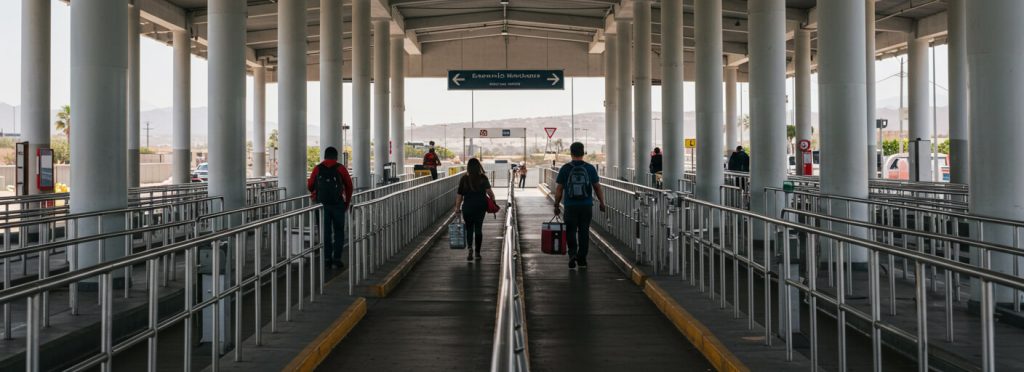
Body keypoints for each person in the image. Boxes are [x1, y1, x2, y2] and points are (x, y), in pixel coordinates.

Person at [554, 142, 606, 269]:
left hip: (570, 206)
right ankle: (582, 259)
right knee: (584, 232)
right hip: (586, 206)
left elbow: (559, 189)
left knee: (571, 231)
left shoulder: (565, 168)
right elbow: (597, 187)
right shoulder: (590, 168)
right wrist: (602, 202)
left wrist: (556, 205)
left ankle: (572, 254)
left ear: (571, 153)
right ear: (583, 153)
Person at [307, 147, 354, 269]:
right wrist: (346, 203)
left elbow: (310, 186)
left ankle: (327, 258)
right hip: (338, 205)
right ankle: (337, 259)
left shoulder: (317, 168)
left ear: (324, 156)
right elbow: (349, 186)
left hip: (322, 206)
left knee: (325, 232)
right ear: (336, 157)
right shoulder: (341, 168)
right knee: (339, 231)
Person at [454, 158, 495, 261]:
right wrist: (493, 201)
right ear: (478, 166)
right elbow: (490, 193)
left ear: (468, 167)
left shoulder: (464, 179)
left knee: (469, 229)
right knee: (478, 229)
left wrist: (457, 208)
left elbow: (459, 196)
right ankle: (477, 252)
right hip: (480, 207)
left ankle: (469, 249)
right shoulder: (483, 178)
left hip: (467, 207)